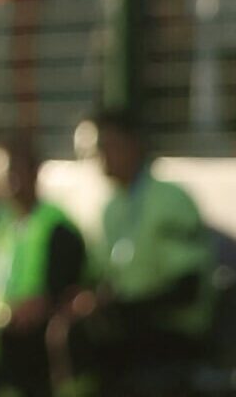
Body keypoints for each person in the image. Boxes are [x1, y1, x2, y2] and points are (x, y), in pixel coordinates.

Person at [52, 109, 217, 393]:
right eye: (95, 150)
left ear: (133, 144)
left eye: (107, 146)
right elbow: (106, 277)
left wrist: (126, 310)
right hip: (127, 330)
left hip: (171, 334)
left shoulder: (169, 199)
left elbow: (187, 288)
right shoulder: (111, 208)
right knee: (66, 332)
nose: (99, 157)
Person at [0, 139, 84, 397]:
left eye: (15, 171)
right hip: (4, 334)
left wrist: (39, 306)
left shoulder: (57, 226)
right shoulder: (1, 225)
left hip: (42, 343)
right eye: (2, 174)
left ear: (35, 171)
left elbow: (65, 288)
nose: (8, 181)